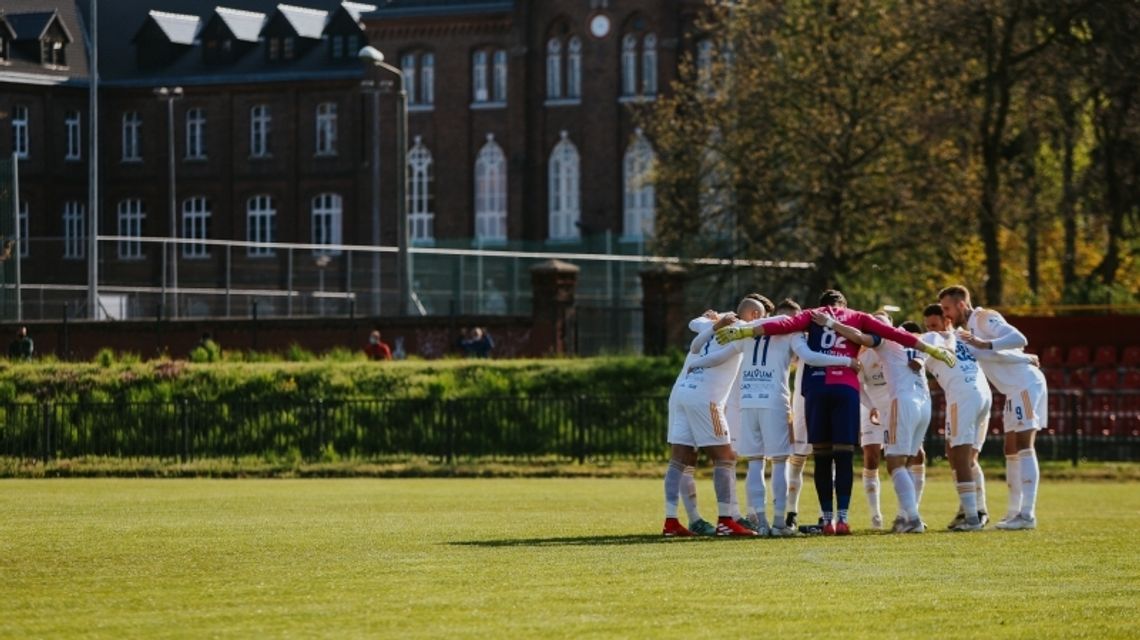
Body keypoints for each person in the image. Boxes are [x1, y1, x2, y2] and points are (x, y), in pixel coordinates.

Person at [717, 289, 955, 535]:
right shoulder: (858, 316)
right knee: (843, 456)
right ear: (844, 304)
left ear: (822, 305)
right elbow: (896, 334)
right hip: (846, 388)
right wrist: (932, 350)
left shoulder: (812, 315)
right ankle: (842, 519)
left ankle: (826, 520)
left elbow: (784, 325)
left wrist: (745, 331)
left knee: (820, 456)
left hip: (816, 388)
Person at [716, 297, 861, 536]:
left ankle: (761, 522)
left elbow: (717, 354)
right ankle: (779, 522)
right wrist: (846, 360)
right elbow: (811, 357)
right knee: (781, 461)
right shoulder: (793, 333)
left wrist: (696, 361)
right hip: (775, 402)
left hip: (747, 401)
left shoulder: (749, 330)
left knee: (755, 463)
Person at [938, 285, 1048, 530]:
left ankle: (1027, 515)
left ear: (961, 305)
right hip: (1013, 390)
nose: (946, 314)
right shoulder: (965, 333)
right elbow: (998, 354)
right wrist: (1023, 356)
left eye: (947, 308)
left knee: (1024, 445)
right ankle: (1013, 512)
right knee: (1011, 448)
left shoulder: (984, 317)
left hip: (1024, 383)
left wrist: (984, 343)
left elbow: (1019, 338)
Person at [816, 311, 933, 533]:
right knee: (906, 460)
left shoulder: (883, 339)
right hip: (924, 403)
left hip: (902, 403)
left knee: (894, 462)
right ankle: (905, 517)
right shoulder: (909, 339)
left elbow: (859, 337)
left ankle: (913, 519)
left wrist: (831, 323)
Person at [661, 308, 758, 537]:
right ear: (754, 315)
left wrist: (714, 318)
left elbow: (694, 323)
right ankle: (726, 520)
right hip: (706, 398)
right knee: (726, 458)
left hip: (683, 392)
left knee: (679, 461)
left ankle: (671, 522)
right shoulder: (742, 330)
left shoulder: (709, 325)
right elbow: (718, 357)